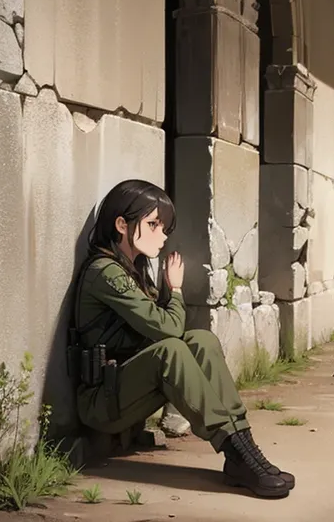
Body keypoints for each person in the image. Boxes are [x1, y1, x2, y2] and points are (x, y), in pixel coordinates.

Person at [73, 179, 295, 498]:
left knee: (201, 341)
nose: (162, 236)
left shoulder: (131, 270)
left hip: (122, 390)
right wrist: (175, 290)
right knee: (173, 350)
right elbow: (169, 329)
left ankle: (242, 451)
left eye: (164, 227)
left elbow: (165, 328)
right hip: (100, 403)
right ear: (121, 224)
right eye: (153, 225)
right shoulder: (105, 272)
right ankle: (239, 454)